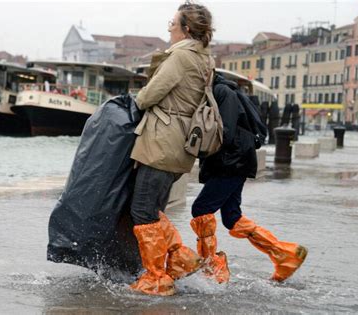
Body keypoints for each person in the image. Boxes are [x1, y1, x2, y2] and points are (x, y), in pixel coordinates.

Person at [129, 1, 215, 296]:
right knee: (152, 207)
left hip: (162, 142)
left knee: (142, 210)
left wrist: (137, 99)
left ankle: (156, 277)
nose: (169, 27)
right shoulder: (205, 59)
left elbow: (150, 94)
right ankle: (179, 260)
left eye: (173, 23)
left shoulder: (180, 58)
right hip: (181, 144)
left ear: (186, 29)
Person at [190, 74, 308, 284]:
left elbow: (225, 132)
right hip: (235, 159)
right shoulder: (221, 90)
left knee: (201, 210)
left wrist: (194, 146)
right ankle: (284, 254)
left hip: (231, 160)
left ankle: (212, 267)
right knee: (232, 217)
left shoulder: (222, 92)